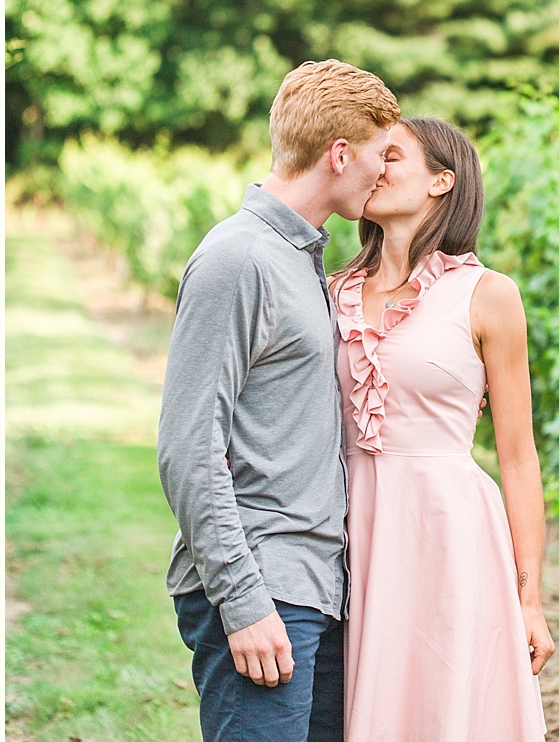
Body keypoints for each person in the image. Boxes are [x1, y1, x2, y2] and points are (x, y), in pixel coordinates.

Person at [158, 59, 400, 742]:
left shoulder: (301, 259)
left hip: (315, 586)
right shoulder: (239, 258)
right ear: (340, 153)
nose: (385, 171)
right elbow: (186, 447)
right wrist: (242, 600)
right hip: (264, 587)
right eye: (382, 154)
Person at [333, 117, 554, 741]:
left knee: (445, 709)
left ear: (441, 182)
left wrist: (530, 598)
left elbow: (518, 457)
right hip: (351, 525)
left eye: (392, 156)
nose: (375, 167)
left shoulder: (488, 295)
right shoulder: (330, 292)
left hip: (450, 532)